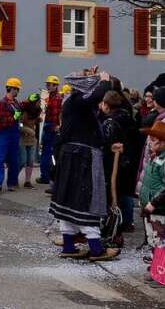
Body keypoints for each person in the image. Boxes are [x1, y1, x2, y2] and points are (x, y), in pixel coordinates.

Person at [49, 69, 120, 261]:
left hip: (73, 155)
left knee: (69, 200)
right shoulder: (77, 101)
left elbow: (89, 127)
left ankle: (69, 246)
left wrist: (106, 143)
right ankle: (96, 249)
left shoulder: (76, 102)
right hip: (81, 158)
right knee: (86, 200)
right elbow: (97, 95)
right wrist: (104, 81)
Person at [139, 121, 165, 279]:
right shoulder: (157, 157)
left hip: (157, 208)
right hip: (149, 206)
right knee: (153, 239)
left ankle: (161, 272)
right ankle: (157, 266)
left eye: (153, 140)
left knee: (159, 239)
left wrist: (153, 202)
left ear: (163, 143)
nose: (149, 142)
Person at [100, 89, 137, 239]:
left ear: (107, 105)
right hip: (127, 161)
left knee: (113, 196)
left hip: (113, 164)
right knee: (125, 193)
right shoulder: (128, 117)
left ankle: (113, 228)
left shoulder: (109, 122)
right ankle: (126, 222)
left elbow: (107, 145)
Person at [0, 77, 24, 194]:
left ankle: (11, 183)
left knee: (13, 159)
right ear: (11, 88)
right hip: (3, 134)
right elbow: (2, 121)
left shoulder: (15, 103)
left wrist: (30, 101)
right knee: (0, 159)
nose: (17, 91)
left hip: (14, 134)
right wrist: (14, 118)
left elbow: (22, 108)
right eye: (16, 89)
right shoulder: (2, 103)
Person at [39, 75, 62, 186]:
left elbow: (57, 115)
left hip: (52, 128)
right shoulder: (48, 97)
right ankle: (45, 176)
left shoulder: (57, 98)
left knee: (50, 154)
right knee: (46, 153)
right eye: (47, 84)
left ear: (55, 85)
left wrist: (57, 126)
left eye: (49, 84)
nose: (47, 86)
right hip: (48, 126)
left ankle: (48, 177)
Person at [20, 92, 42, 188]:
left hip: (32, 139)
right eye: (39, 101)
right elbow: (19, 124)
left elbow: (33, 122)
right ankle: (12, 178)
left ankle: (27, 181)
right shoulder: (24, 112)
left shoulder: (37, 111)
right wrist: (27, 130)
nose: (40, 103)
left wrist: (37, 121)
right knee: (22, 160)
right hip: (23, 139)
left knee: (31, 160)